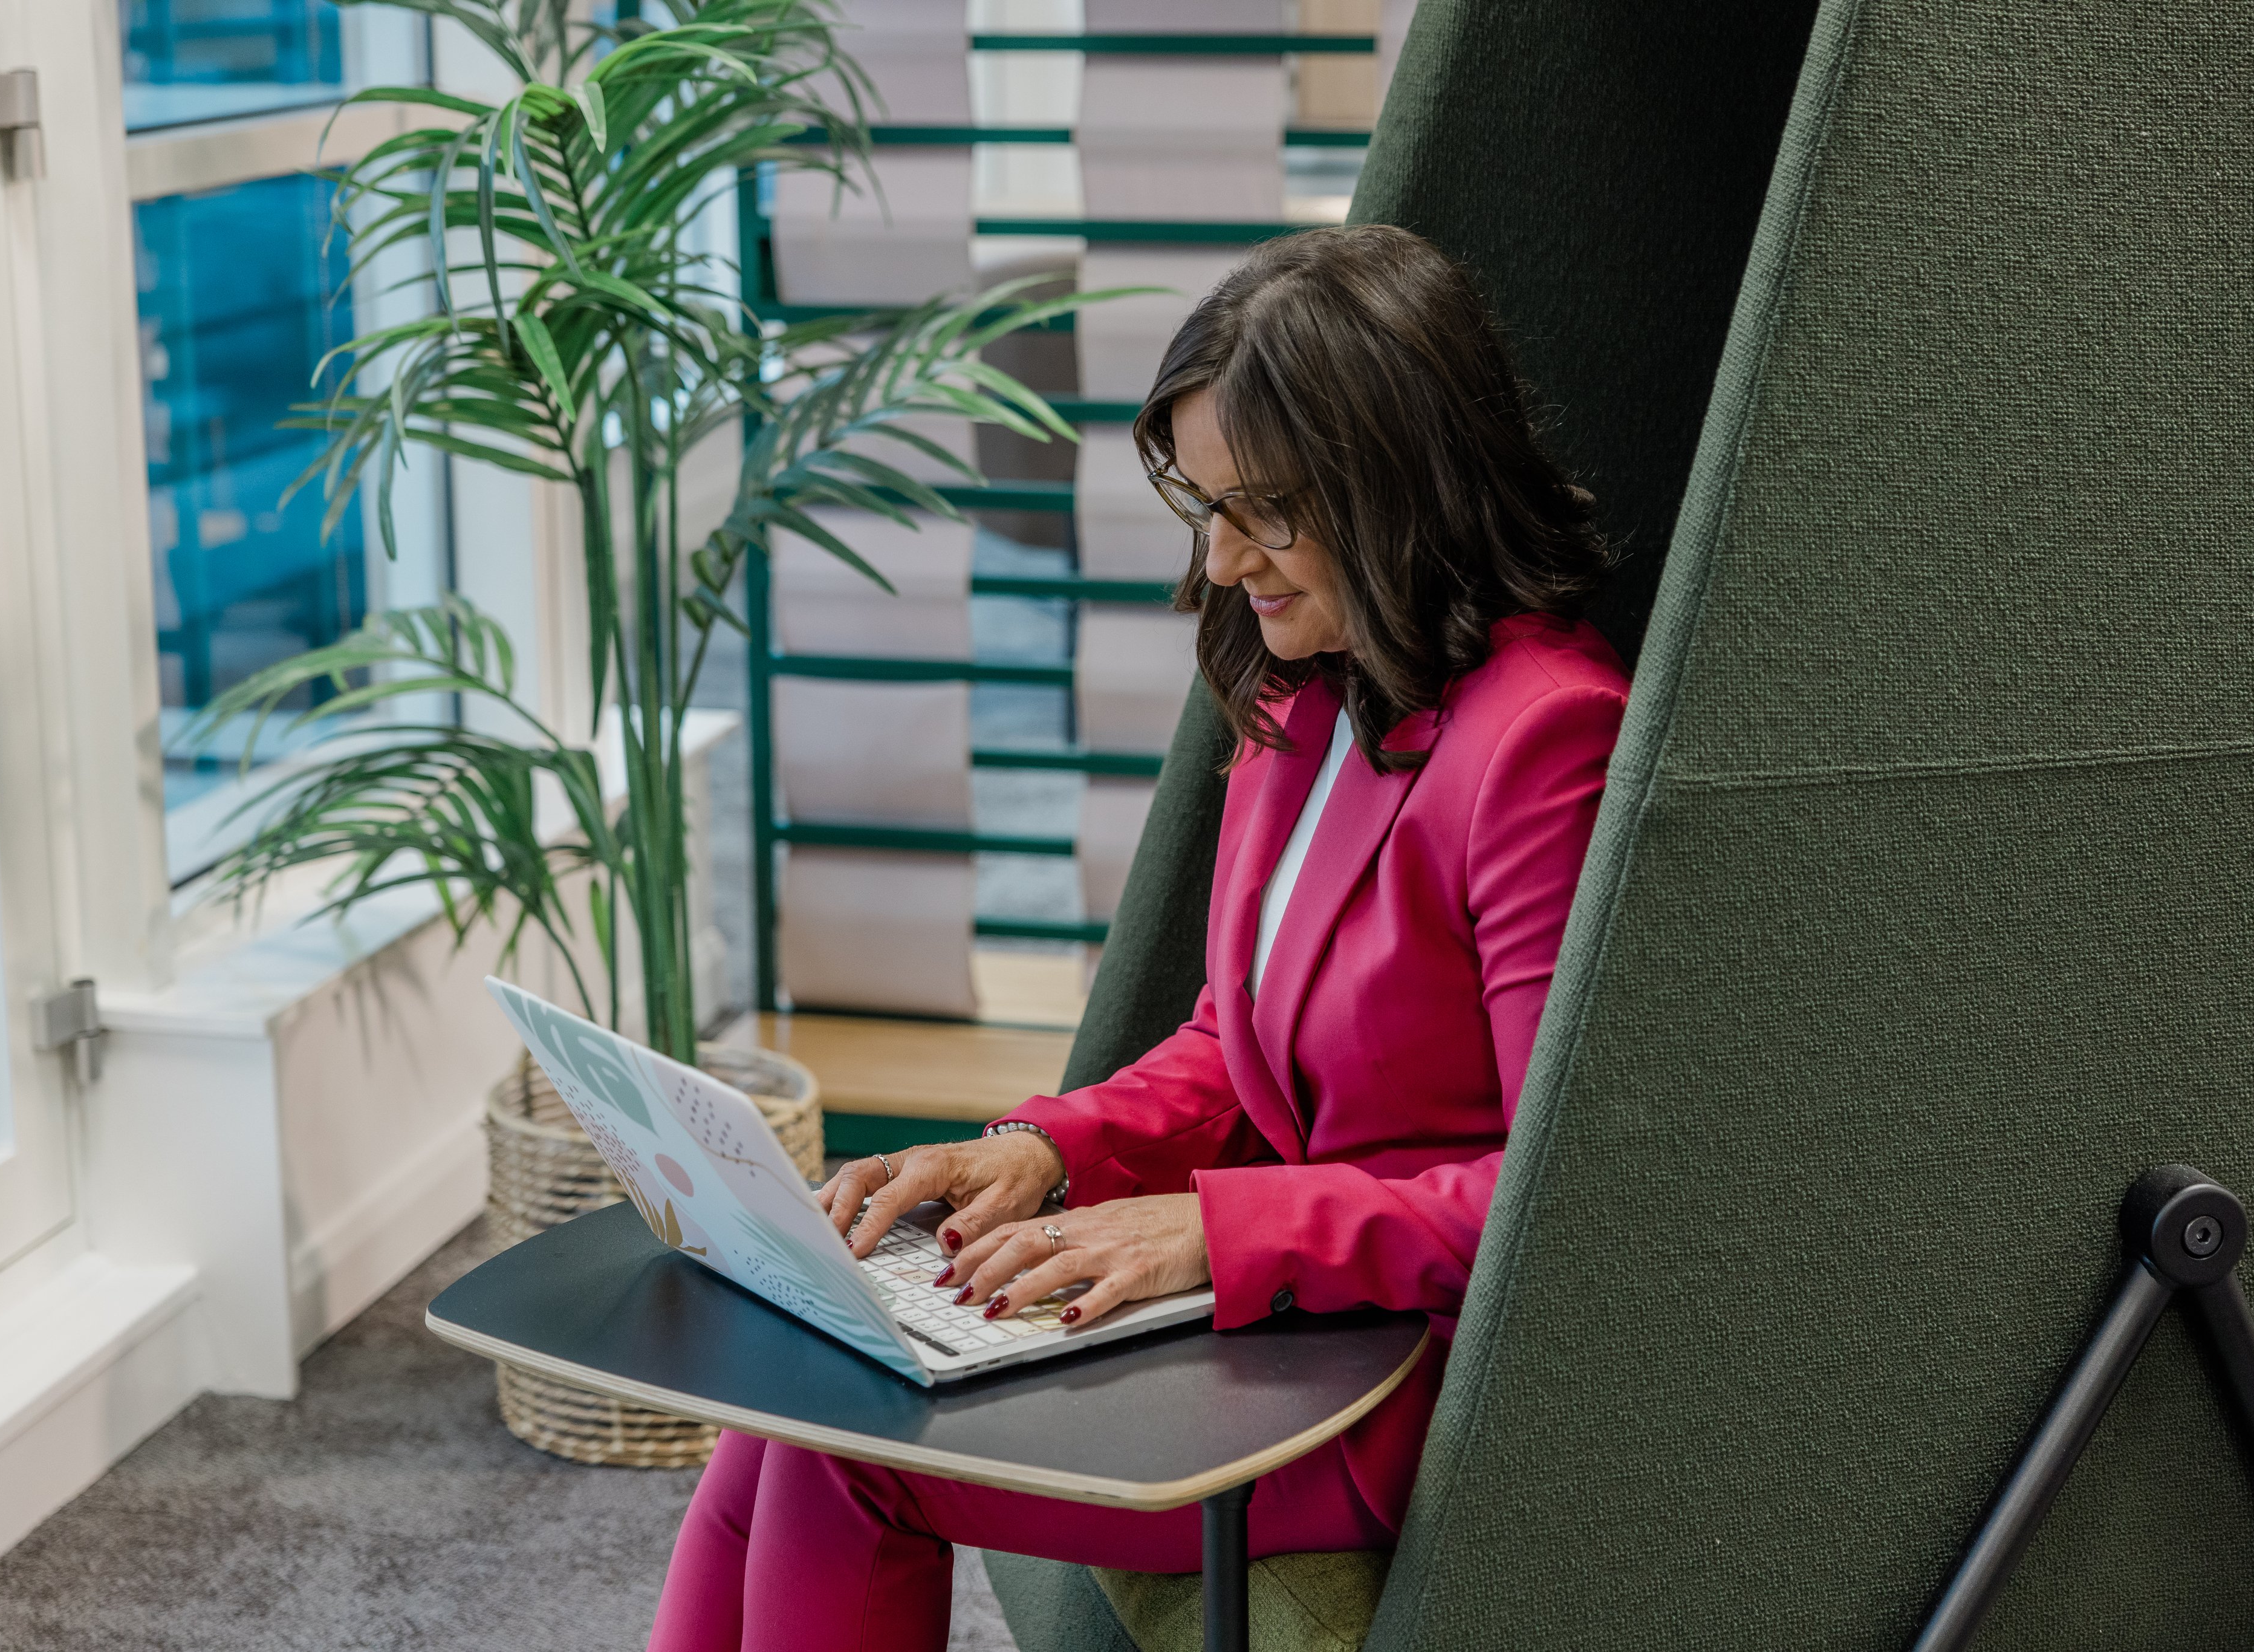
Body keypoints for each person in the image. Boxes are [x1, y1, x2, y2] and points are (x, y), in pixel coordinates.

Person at [649, 223, 1631, 1652]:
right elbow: (1239, 1039)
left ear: (1396, 482)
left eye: (1266, 510)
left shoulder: (1544, 733)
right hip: (1279, 1311)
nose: (1224, 557)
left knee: (851, 1455)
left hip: (1382, 1364)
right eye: (1207, 505)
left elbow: (1551, 1198)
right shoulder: (1310, 684)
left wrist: (1208, 1231)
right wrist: (1042, 1146)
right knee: (795, 1400)